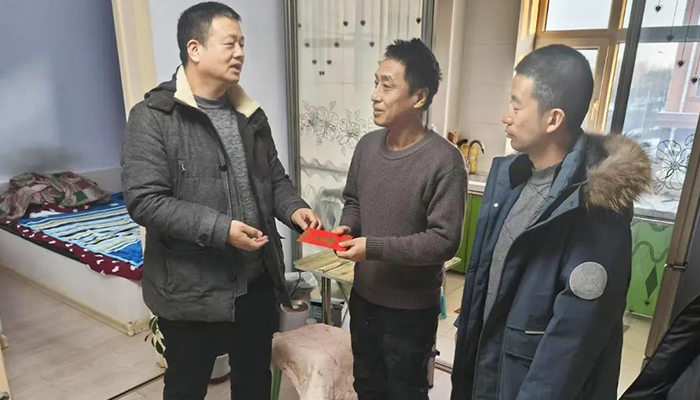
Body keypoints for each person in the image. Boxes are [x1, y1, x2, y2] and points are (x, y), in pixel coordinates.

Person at [121, 2, 321, 399]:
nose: (240, 53)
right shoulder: (153, 117)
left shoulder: (249, 114)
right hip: (191, 291)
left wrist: (294, 208)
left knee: (253, 384)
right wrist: (221, 229)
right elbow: (144, 200)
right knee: (186, 387)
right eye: (230, 44)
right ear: (194, 49)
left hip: (256, 284)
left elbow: (274, 179)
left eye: (242, 44)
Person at [450, 44, 652, 400]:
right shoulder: (512, 179)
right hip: (492, 372)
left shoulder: (595, 209)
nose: (506, 117)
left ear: (553, 119)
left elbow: (571, 346)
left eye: (516, 106)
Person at [334, 38, 467, 400]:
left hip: (410, 312)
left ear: (419, 97)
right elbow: (354, 200)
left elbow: (443, 241)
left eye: (387, 86)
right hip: (364, 299)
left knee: (404, 392)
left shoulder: (445, 161)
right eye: (375, 83)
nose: (375, 95)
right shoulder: (366, 147)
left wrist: (373, 247)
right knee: (367, 387)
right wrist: (349, 225)